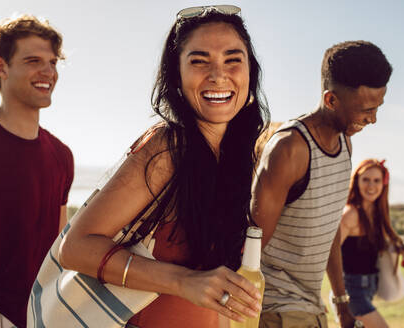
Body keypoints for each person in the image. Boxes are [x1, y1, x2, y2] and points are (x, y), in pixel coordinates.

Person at [58, 5, 269, 328]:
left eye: (232, 60)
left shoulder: (235, 156)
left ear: (250, 71)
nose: (218, 75)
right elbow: (74, 248)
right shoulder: (169, 147)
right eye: (199, 61)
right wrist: (183, 280)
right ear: (177, 75)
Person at [251, 40, 393, 328]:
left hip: (311, 304)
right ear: (331, 100)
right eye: (366, 109)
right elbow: (250, 245)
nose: (373, 119)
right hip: (276, 308)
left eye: (378, 107)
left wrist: (342, 302)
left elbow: (329, 231)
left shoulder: (345, 144)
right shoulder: (290, 149)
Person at [0, 15, 73, 328]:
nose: (48, 72)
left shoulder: (62, 156)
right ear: (1, 66)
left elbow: (59, 249)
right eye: (33, 60)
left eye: (52, 62)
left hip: (40, 317)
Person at [339, 159, 404, 328]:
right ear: (356, 181)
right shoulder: (351, 214)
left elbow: (381, 247)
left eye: (376, 180)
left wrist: (402, 249)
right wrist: (338, 298)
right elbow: (330, 253)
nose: (371, 185)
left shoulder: (377, 214)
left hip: (368, 289)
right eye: (366, 179)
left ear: (384, 183)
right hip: (352, 292)